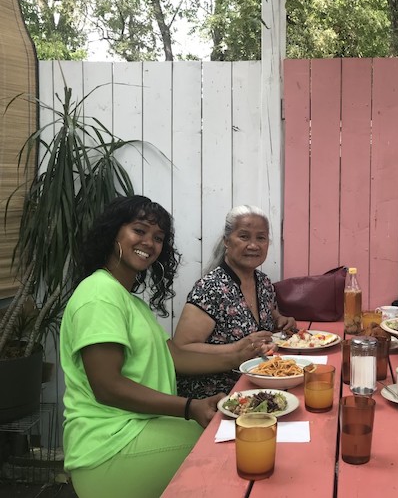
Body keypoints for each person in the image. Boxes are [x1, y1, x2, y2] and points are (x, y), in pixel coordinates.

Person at [60, 195, 243, 498]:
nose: (149, 242)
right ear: (113, 232)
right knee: (233, 444)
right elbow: (107, 386)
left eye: (158, 237)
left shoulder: (127, 299)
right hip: (111, 445)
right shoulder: (99, 295)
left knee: (236, 433)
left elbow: (174, 357)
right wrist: (189, 407)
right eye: (139, 230)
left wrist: (241, 354)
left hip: (142, 429)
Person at [174, 205, 296, 398]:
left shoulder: (263, 283)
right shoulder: (211, 288)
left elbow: (270, 318)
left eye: (261, 238)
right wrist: (237, 348)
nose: (253, 245)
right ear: (226, 241)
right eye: (244, 236)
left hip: (258, 383)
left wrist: (282, 321)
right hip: (216, 394)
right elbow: (181, 350)